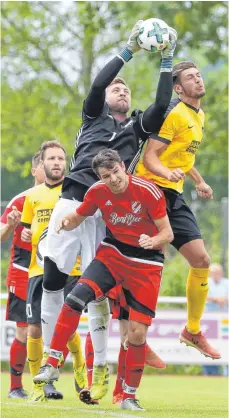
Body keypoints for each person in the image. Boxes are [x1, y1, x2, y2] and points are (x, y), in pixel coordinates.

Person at [40, 20, 177, 399]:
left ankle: (101, 368)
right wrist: (129, 52)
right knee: (53, 279)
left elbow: (162, 103)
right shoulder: (93, 115)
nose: (122, 88)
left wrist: (166, 60)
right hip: (74, 201)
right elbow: (99, 84)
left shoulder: (138, 126)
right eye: (118, 85)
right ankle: (49, 370)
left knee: (99, 292)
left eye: (126, 87)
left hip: (107, 212)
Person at [33, 149, 174, 411]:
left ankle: (128, 396)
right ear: (99, 177)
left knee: (136, 334)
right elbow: (80, 215)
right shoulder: (97, 191)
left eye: (116, 172)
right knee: (75, 298)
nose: (113, 180)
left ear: (123, 166)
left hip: (146, 264)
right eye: (106, 176)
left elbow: (167, 233)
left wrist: (152, 240)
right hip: (113, 254)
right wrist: (66, 222)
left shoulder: (149, 191)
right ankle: (52, 364)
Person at [135, 61, 221, 360]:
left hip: (175, 194)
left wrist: (199, 180)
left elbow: (183, 153)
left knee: (201, 260)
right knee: (148, 267)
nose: (198, 80)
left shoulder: (199, 115)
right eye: (190, 78)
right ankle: (136, 336)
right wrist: (166, 173)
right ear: (178, 87)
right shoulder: (173, 112)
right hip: (150, 192)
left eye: (198, 75)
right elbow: (150, 157)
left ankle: (192, 330)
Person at [21, 141, 86, 402]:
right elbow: (28, 229)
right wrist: (25, 232)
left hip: (69, 269)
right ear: (42, 164)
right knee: (34, 329)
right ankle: (39, 386)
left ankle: (80, 370)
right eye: (51, 158)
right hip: (38, 270)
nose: (57, 162)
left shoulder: (73, 191)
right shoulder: (32, 196)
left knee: (66, 329)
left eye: (61, 158)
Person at [0, 152, 45, 399]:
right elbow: (1, 235)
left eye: (55, 161)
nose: (51, 167)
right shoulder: (20, 200)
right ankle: (15, 386)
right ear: (34, 171)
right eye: (44, 164)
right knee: (25, 331)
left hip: (52, 273)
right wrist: (11, 225)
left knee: (63, 332)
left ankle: (50, 382)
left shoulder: (63, 198)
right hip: (23, 274)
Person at [202, 264, 228, 376]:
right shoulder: (205, 282)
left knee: (226, 346)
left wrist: (223, 300)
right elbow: (202, 296)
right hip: (209, 320)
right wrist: (217, 300)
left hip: (225, 321)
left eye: (218, 273)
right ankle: (210, 373)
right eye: (214, 273)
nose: (216, 275)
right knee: (209, 345)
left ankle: (226, 372)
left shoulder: (227, 283)